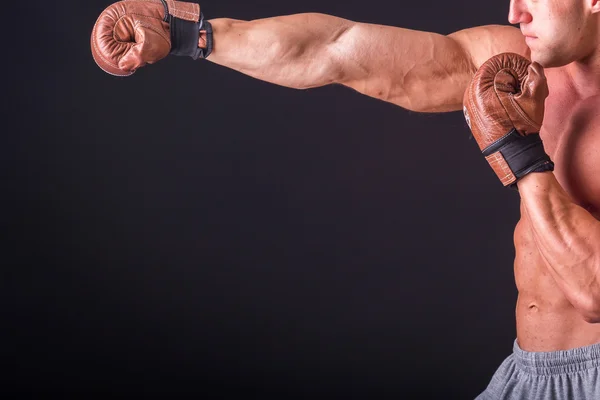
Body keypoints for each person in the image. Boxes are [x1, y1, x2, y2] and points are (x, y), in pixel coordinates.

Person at [91, 0, 600, 398]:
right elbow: (337, 47)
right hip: (528, 371)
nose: (514, 13)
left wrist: (516, 150)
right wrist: (190, 35)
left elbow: (593, 290)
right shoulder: (516, 61)